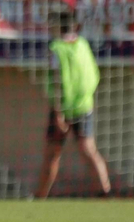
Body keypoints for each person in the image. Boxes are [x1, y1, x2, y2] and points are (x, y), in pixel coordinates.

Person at [35, 14, 112, 199]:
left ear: (57, 27)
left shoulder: (56, 49)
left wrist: (58, 112)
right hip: (84, 105)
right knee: (88, 150)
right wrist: (86, 97)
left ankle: (40, 197)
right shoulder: (83, 45)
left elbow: (58, 78)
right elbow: (93, 74)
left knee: (52, 153)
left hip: (63, 108)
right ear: (74, 28)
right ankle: (105, 192)